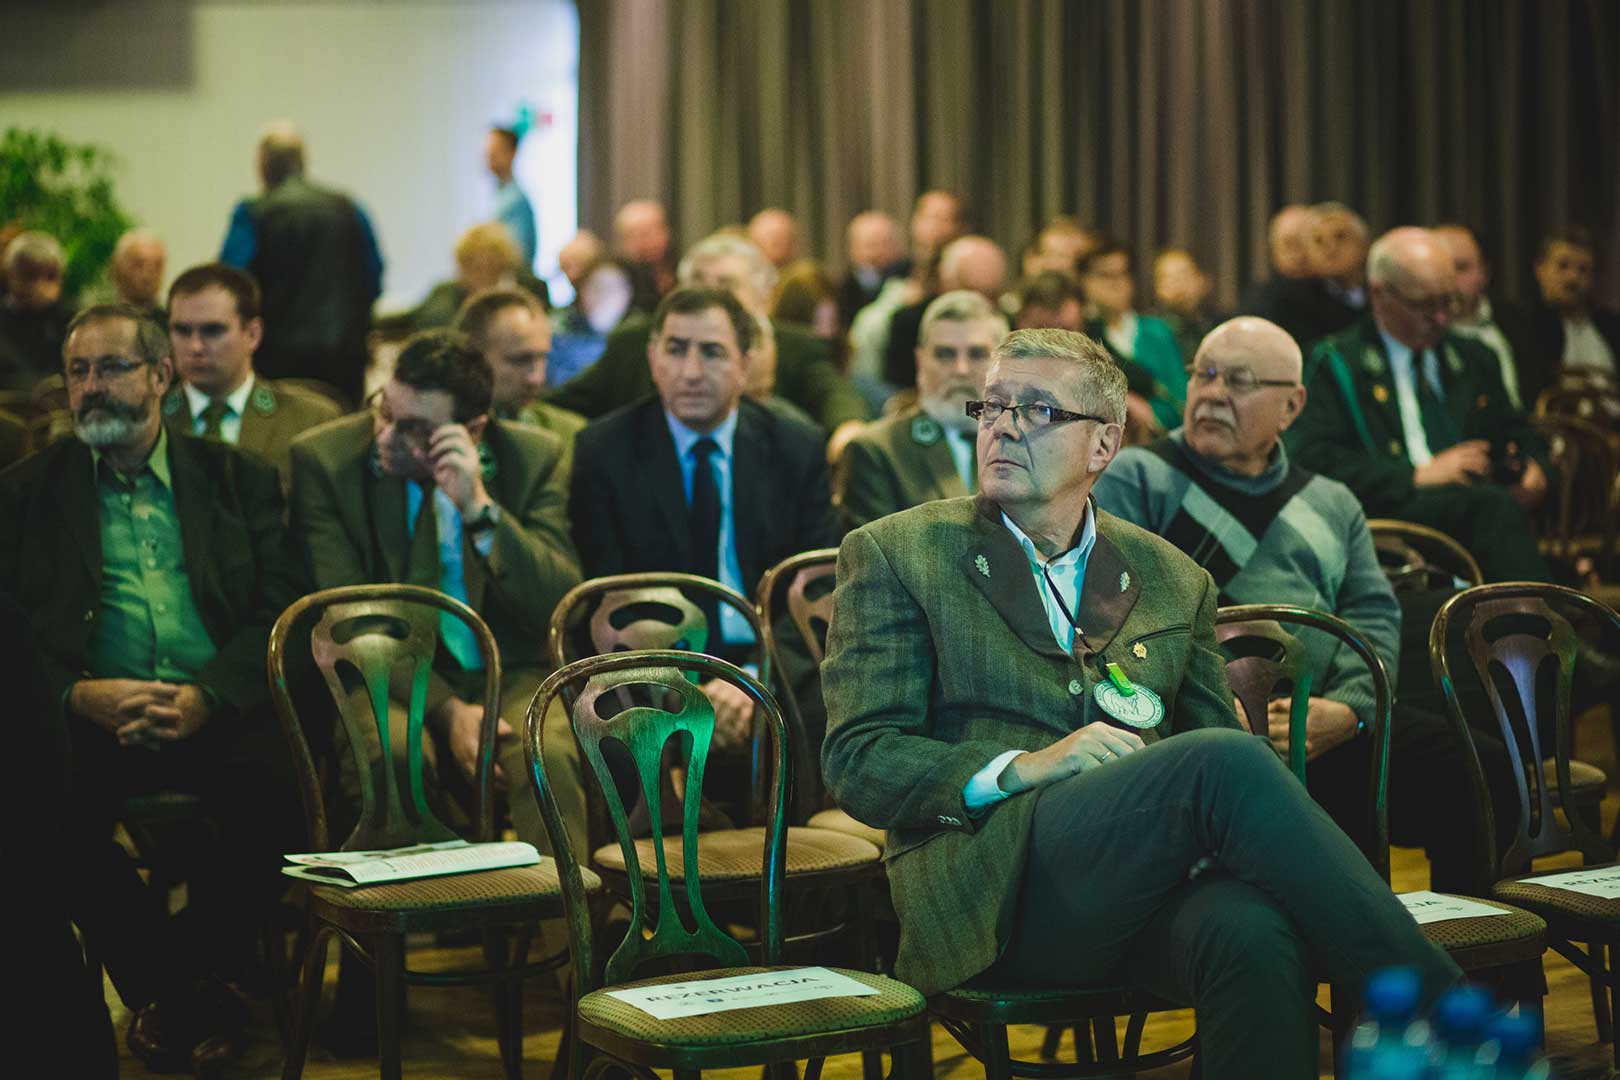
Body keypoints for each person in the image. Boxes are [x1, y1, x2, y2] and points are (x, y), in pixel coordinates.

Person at [819, 326, 1461, 1079]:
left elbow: (1214, 759)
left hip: (1138, 886)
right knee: (1222, 762)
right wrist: (1024, 766)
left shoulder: (1172, 577)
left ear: (1104, 444)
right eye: (992, 406)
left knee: (1251, 931)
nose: (1004, 427)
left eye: (1037, 410)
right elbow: (858, 760)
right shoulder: (899, 552)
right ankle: (1450, 1020)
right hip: (987, 892)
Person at [1095, 316, 1517, 893]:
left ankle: (1461, 945)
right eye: (1204, 374)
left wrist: (1351, 709)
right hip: (1207, 734)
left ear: (1291, 406)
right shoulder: (1136, 479)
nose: (1213, 393)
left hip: (1323, 723)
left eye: (1239, 381)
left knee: (1483, 772)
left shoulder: (1331, 501)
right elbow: (1118, 618)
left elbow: (1373, 615)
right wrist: (1207, 706)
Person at [0, 303, 306, 1074]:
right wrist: (76, 694)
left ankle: (176, 985)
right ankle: (188, 990)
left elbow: (282, 610)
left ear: (161, 376)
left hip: (214, 711)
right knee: (43, 818)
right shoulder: (25, 493)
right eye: (78, 371)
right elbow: (11, 631)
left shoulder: (236, 478)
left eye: (111, 368)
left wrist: (210, 695)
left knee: (284, 797)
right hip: (88, 720)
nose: (91, 387)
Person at [288, 327, 587, 855]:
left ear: (472, 431)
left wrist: (478, 509)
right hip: (384, 673)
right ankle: (422, 900)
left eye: (414, 428)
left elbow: (559, 605)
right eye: (384, 411)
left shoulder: (531, 457)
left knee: (548, 754)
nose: (386, 435)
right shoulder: (327, 460)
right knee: (393, 753)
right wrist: (448, 713)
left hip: (505, 670)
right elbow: (353, 619)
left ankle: (563, 910)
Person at [567, 287, 841, 816]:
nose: (691, 371)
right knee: (621, 724)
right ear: (653, 358)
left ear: (746, 363)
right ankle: (662, 870)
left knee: (827, 712)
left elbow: (817, 589)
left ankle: (801, 866)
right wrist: (690, 688)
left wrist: (754, 681)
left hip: (769, 660)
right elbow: (610, 600)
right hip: (655, 662)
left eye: (712, 352)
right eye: (676, 349)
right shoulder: (605, 450)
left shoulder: (795, 445)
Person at [1287, 227, 1551, 582]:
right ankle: (1534, 614)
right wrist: (1416, 475)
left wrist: (1537, 471)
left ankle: (1527, 609)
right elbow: (1313, 460)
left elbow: (1520, 433)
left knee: (1495, 509)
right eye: (1425, 305)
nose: (1442, 317)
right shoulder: (1334, 364)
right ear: (1380, 295)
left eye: (1449, 301)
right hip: (1387, 515)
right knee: (1492, 508)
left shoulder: (1474, 358)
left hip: (1478, 515)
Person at [547, 232, 870, 459]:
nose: (711, 295)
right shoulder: (635, 341)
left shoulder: (795, 346)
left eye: (726, 284)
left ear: (764, 294)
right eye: (699, 282)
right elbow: (564, 403)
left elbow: (835, 397)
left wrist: (848, 431)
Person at [219, 121, 384, 406]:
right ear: (302, 162)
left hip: (276, 357)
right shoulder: (348, 208)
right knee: (344, 428)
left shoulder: (253, 213)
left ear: (263, 165)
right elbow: (374, 276)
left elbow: (232, 283)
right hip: (344, 356)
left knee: (279, 429)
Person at [162, 262, 341, 490]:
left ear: (253, 335)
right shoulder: (150, 418)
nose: (195, 347)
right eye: (182, 331)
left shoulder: (311, 421)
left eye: (212, 330)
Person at [839, 290, 1007, 529]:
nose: (961, 369)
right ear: (920, 362)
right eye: (945, 354)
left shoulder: (1029, 444)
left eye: (977, 354)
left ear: (1004, 363)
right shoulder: (878, 452)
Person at [453, 286, 588, 448]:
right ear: (471, 357)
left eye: (542, 357)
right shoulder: (438, 435)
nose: (536, 378)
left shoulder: (572, 435)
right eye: (520, 360)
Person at [1500, 226, 1620, 407]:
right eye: (1562, 266)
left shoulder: (1611, 326)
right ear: (1539, 269)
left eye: (1583, 270)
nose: (1573, 278)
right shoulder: (1522, 324)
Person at [374, 222, 549, 339]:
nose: (473, 275)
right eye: (468, 266)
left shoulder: (531, 290)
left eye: (485, 267)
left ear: (503, 265)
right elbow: (407, 320)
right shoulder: (443, 294)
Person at [1081, 241, 1186, 430]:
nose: (1115, 283)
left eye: (1123, 274)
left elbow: (1179, 399)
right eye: (1105, 275)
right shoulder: (1080, 332)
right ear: (1085, 281)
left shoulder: (1157, 332)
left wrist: (1151, 412)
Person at [883, 234, 1007, 390]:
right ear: (946, 283)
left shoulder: (1007, 322)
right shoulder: (910, 322)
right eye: (970, 291)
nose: (977, 303)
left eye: (991, 296)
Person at [1245, 203, 1370, 350]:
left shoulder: (1383, 294)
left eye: (1340, 237)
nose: (1330, 248)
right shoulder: (1291, 304)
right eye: (1318, 241)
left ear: (1364, 244)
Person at [1431, 224, 1530, 411]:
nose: (1449, 279)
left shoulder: (1519, 322)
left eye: (1461, 267)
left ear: (1485, 272)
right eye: (1439, 268)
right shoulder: (1421, 336)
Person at [0, 230, 74, 390]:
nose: (39, 286)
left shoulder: (72, 320)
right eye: (30, 276)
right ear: (10, 275)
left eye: (49, 276)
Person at [1151, 247, 1220, 363]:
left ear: (1203, 280)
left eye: (1184, 275)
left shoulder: (1218, 327)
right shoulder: (1149, 332)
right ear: (1157, 288)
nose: (1177, 284)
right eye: (1168, 278)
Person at [838, 210, 907, 325]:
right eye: (872, 245)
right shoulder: (842, 290)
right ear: (853, 249)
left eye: (886, 243)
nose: (880, 251)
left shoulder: (910, 279)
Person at [485, 122, 537, 266]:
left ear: (512, 153)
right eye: (488, 152)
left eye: (495, 151)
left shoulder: (516, 200)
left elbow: (516, 256)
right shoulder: (499, 195)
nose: (489, 157)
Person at [614, 198, 677, 299]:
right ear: (624, 242)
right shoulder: (619, 279)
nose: (651, 241)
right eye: (641, 235)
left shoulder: (683, 269)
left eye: (656, 231)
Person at [106, 228, 168, 320]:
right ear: (118, 269)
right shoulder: (101, 321)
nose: (147, 275)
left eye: (157, 266)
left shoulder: (171, 323)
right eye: (138, 265)